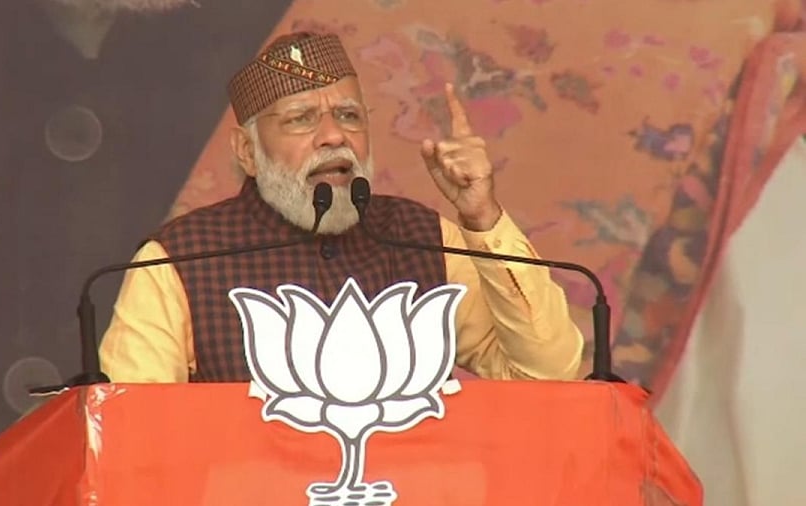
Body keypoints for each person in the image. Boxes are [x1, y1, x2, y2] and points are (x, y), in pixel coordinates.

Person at [98, 31, 584, 383]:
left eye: (349, 115)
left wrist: (482, 216)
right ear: (247, 152)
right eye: (301, 119)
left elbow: (546, 376)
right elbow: (134, 437)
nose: (334, 137)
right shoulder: (180, 261)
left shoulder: (421, 237)